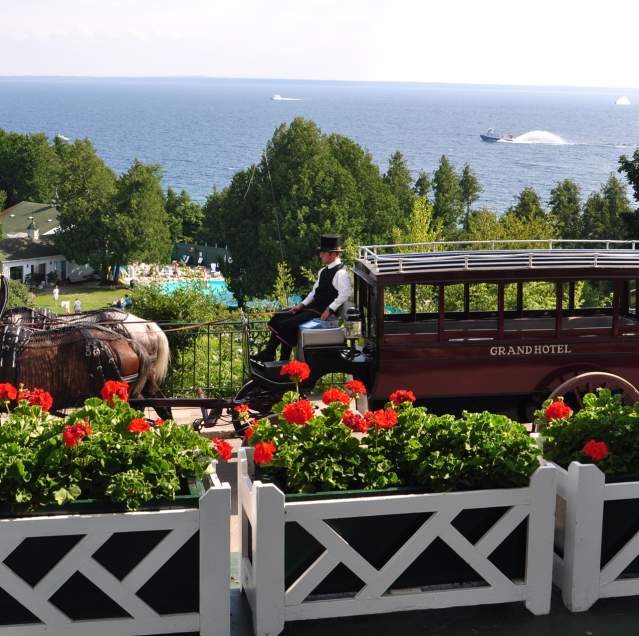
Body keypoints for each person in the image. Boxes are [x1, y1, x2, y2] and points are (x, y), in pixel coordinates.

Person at [254, 234, 352, 362]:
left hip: (321, 313)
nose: (320, 255)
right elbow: (313, 292)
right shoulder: (323, 271)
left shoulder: (341, 273)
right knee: (279, 316)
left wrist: (330, 309)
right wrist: (301, 305)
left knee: (286, 325)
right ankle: (270, 353)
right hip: (311, 309)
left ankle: (282, 359)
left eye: (323, 253)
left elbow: (346, 293)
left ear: (332, 254)